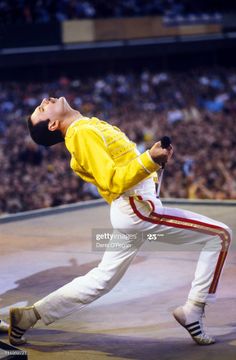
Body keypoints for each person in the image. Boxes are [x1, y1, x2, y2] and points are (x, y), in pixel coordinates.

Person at [9, 97, 232, 346]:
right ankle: (194, 309)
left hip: (131, 209)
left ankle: (29, 317)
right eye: (42, 109)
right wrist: (149, 159)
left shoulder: (84, 128)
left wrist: (153, 161)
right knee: (220, 235)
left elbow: (120, 169)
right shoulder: (81, 133)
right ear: (52, 125)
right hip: (137, 208)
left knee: (102, 279)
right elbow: (113, 181)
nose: (45, 101)